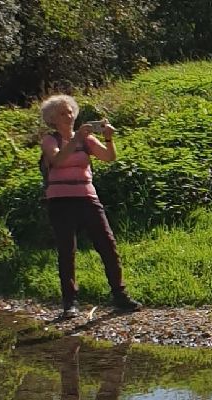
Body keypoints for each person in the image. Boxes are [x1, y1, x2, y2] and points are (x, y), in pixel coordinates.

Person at [39, 94, 140, 318]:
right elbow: (57, 160)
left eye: (70, 111)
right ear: (52, 119)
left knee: (108, 244)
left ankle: (119, 294)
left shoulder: (85, 139)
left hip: (87, 197)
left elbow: (109, 157)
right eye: (62, 113)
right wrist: (75, 140)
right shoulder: (50, 140)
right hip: (60, 200)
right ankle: (70, 302)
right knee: (67, 251)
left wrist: (109, 138)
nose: (69, 116)